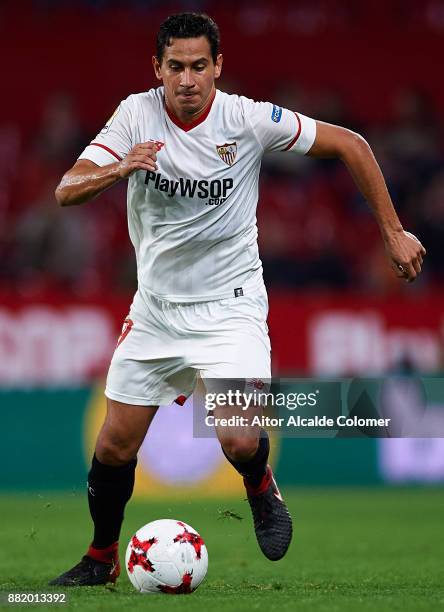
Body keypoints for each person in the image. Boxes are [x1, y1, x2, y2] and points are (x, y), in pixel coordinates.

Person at [49, 12, 426, 586]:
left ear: (218, 66)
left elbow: (351, 144)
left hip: (231, 305)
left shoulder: (247, 119)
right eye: (175, 66)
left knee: (239, 435)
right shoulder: (134, 114)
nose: (188, 79)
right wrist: (118, 168)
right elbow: (66, 190)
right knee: (115, 445)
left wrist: (393, 231)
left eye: (200, 65)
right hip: (155, 309)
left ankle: (258, 483)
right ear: (157, 69)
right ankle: (100, 559)